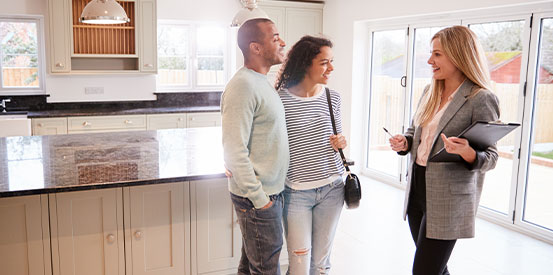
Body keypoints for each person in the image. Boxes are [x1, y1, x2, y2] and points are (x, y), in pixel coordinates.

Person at [389, 25, 500, 275]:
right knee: (436, 268)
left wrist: (467, 152)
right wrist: (405, 143)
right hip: (418, 188)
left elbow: (491, 157)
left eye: (437, 54)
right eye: (431, 53)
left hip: (450, 198)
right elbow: (414, 131)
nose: (430, 60)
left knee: (425, 270)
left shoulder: (480, 98)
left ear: (458, 55)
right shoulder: (431, 91)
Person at [221, 18, 289, 275]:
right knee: (266, 269)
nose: (282, 42)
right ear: (256, 48)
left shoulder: (261, 81)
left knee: (251, 265)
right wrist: (260, 200)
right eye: (275, 38)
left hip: (267, 194)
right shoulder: (243, 86)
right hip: (258, 197)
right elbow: (234, 149)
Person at [275, 35, 347, 275]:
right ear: (306, 63)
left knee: (321, 264)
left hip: (332, 188)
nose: (331, 68)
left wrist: (341, 142)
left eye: (331, 61)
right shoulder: (280, 100)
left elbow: (335, 136)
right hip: (296, 192)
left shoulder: (332, 97)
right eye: (325, 62)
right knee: (299, 263)